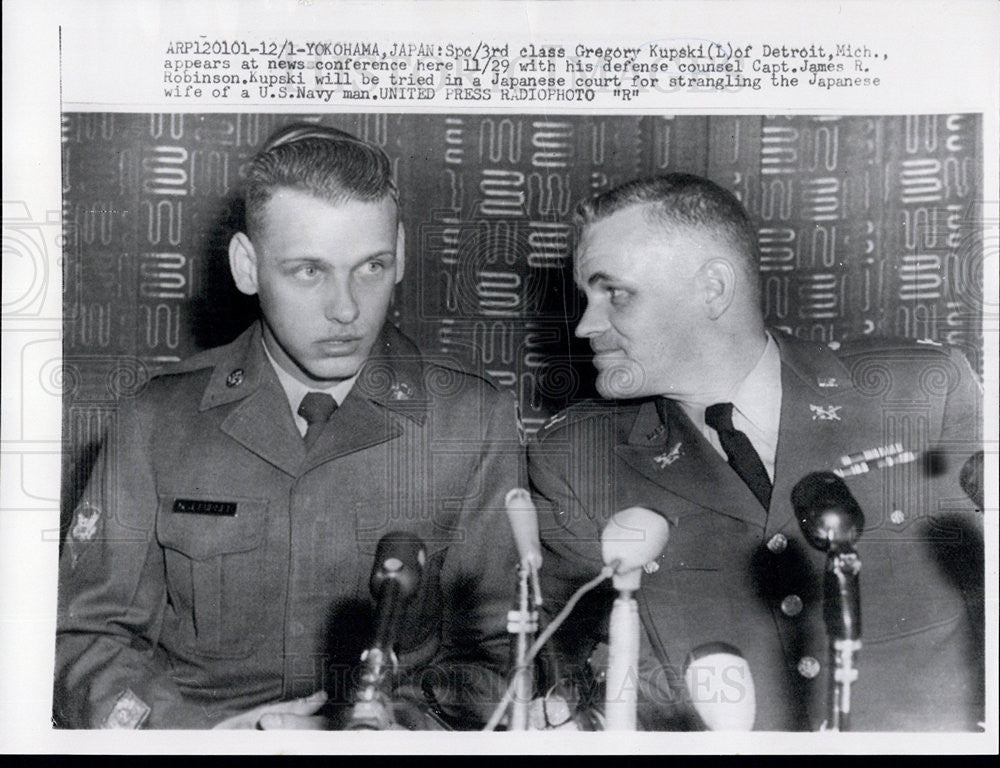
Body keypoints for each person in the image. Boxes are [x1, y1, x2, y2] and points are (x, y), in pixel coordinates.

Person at [55, 124, 521, 729]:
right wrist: (196, 737)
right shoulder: (157, 420)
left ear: (401, 252)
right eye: (309, 271)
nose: (346, 308)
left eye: (372, 266)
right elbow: (86, 638)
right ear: (248, 266)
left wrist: (374, 729)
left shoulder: (471, 420)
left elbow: (501, 656)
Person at [528, 174, 984, 731]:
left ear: (714, 288)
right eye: (586, 298)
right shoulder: (578, 461)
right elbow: (562, 674)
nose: (586, 325)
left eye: (615, 293)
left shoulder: (918, 392)